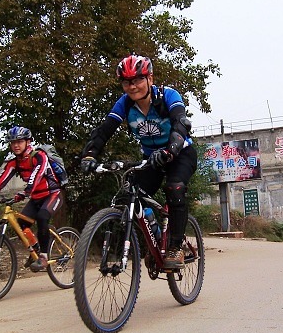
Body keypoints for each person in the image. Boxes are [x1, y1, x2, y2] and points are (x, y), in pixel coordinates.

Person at [80, 54, 197, 268]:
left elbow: (181, 123)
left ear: (150, 78)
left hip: (180, 153)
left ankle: (175, 246)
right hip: (151, 159)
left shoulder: (168, 95)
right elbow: (104, 130)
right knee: (130, 195)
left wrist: (170, 150)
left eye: (137, 80)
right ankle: (155, 235)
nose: (132, 86)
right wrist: (89, 155)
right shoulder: (125, 104)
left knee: (175, 188)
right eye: (126, 82)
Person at [0, 126, 64, 272]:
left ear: (28, 142)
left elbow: (37, 175)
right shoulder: (14, 163)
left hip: (52, 195)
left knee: (42, 217)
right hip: (36, 198)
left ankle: (43, 256)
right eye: (13, 143)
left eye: (19, 142)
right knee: (21, 225)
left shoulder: (39, 156)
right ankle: (36, 249)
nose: (16, 145)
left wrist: (25, 192)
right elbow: (1, 180)